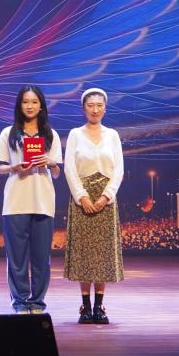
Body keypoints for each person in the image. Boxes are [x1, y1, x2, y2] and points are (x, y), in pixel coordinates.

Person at [0, 85, 62, 314]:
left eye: (34, 102)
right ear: (19, 105)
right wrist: (14, 167)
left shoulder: (51, 135)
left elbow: (57, 173)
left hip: (43, 201)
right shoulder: (8, 133)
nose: (29, 106)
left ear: (41, 105)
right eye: (25, 102)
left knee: (41, 258)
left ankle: (37, 302)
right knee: (17, 258)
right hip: (15, 202)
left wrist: (50, 162)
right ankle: (20, 301)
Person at [64, 87, 125, 324]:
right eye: (91, 105)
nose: (95, 109)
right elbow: (69, 168)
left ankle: (99, 306)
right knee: (84, 252)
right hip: (82, 199)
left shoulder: (112, 135)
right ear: (83, 109)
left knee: (102, 253)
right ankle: (85, 306)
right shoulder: (75, 134)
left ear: (105, 109)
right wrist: (82, 197)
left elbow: (119, 170)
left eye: (99, 105)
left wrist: (105, 197)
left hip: (105, 200)